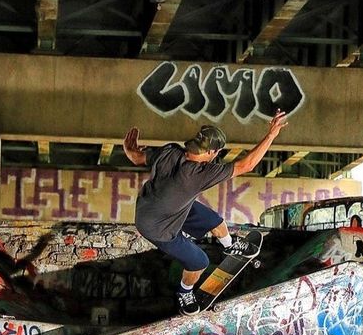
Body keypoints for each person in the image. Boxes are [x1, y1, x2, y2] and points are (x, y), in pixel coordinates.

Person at [123, 110, 288, 314]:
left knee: (215, 221)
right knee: (199, 261)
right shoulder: (200, 173)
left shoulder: (170, 151)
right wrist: (271, 134)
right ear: (211, 152)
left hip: (154, 208)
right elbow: (247, 164)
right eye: (216, 154)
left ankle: (230, 245)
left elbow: (137, 158)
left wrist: (129, 149)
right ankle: (185, 292)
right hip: (158, 228)